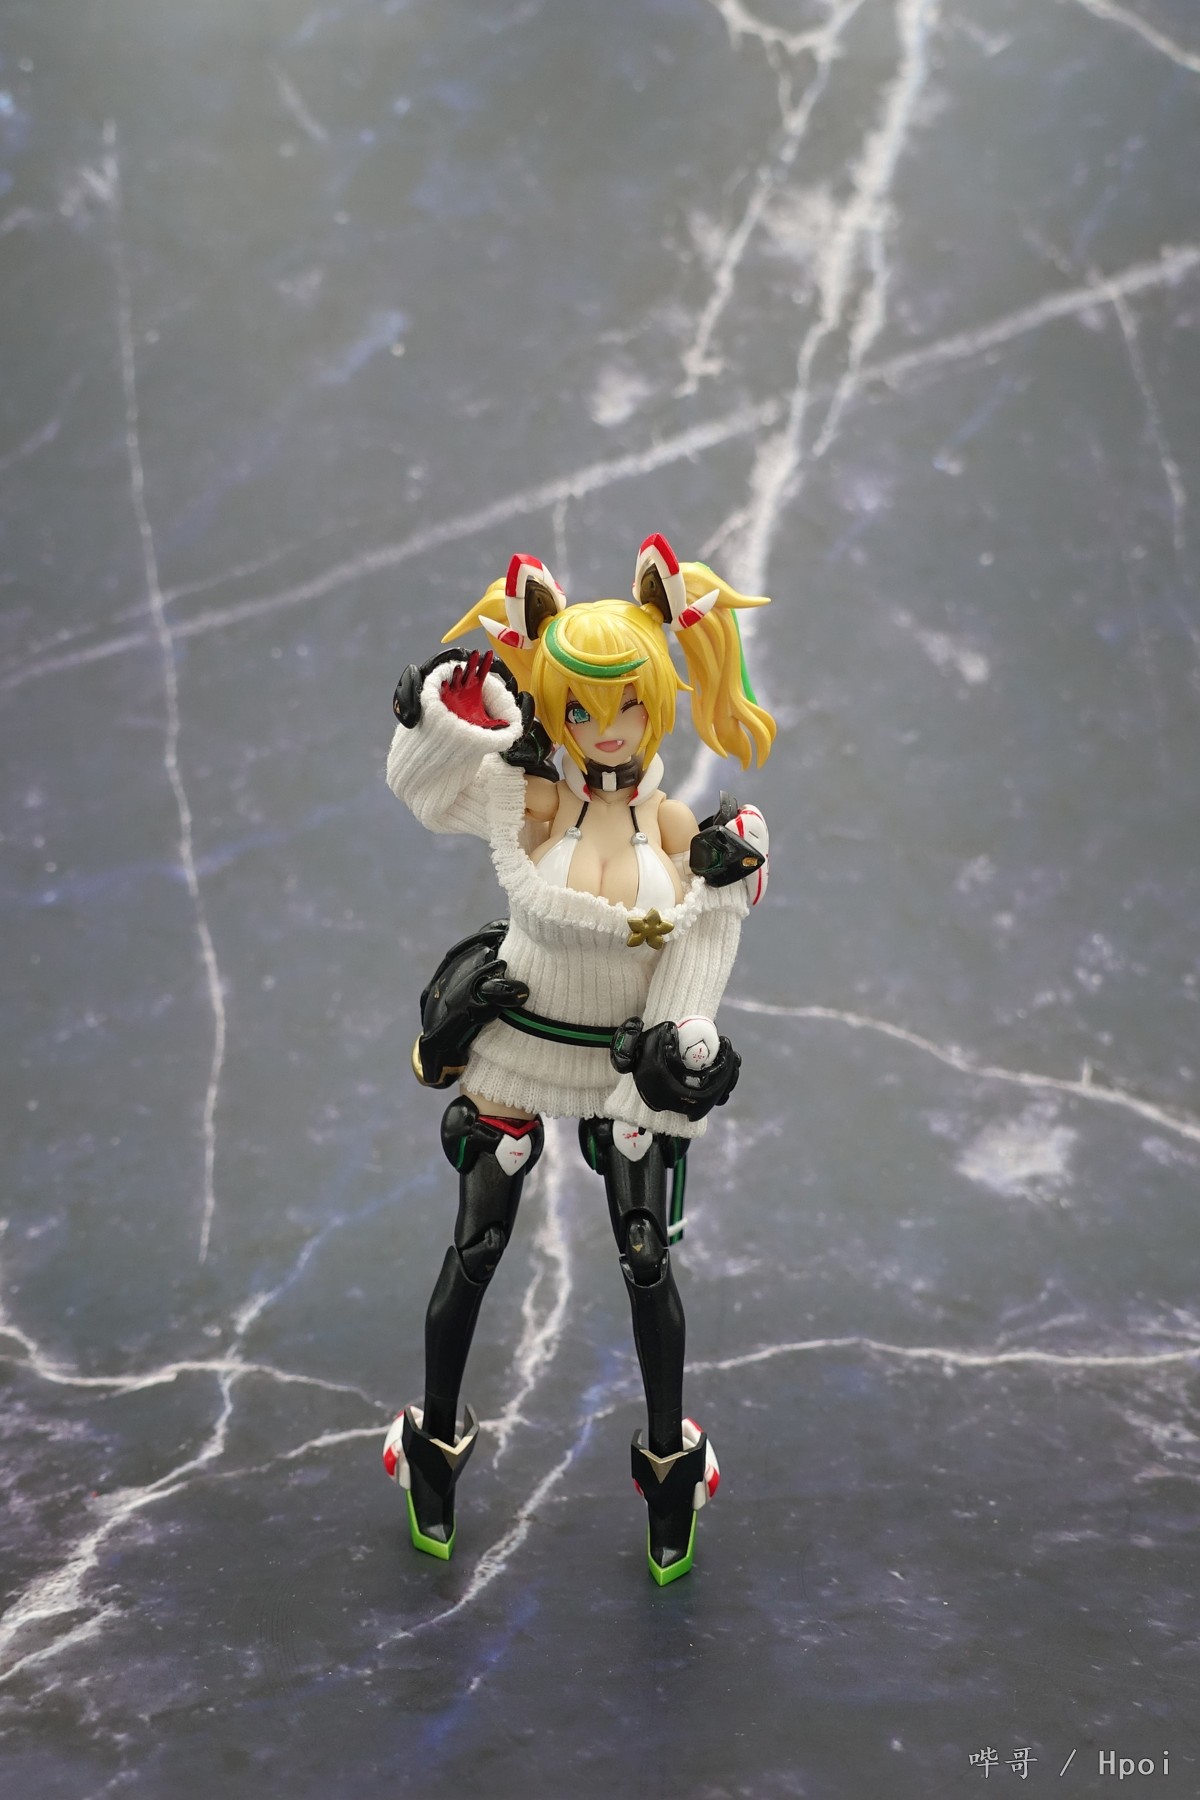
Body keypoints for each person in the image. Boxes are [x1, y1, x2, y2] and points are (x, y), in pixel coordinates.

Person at [382, 534, 774, 1584]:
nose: (608, 730)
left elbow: (704, 940)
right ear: (556, 710)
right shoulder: (536, 800)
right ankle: (431, 1445)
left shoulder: (679, 827)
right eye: (586, 709)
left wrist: (682, 1044)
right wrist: (441, 715)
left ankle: (671, 1469)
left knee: (645, 1255)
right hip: (517, 1042)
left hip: (621, 1062)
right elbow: (428, 793)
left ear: (659, 702)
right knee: (476, 1247)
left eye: (629, 705)